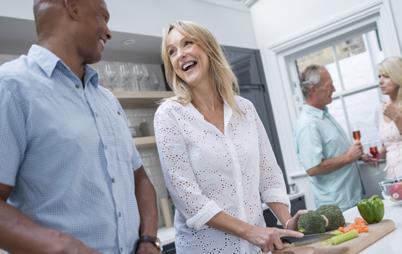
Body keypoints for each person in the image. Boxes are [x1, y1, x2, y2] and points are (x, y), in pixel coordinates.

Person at [0, 1, 160, 253]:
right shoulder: (10, 86)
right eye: (103, 17)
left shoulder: (107, 99)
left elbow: (140, 178)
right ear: (72, 6)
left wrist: (149, 240)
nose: (108, 31)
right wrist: (65, 247)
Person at [154, 20, 303, 254]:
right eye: (171, 51)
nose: (180, 55)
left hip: (256, 250)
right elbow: (187, 198)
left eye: (187, 44)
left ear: (208, 48)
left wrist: (286, 221)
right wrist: (249, 231)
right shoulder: (169, 115)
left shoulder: (245, 109)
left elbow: (269, 175)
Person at [294, 64, 364, 211]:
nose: (334, 89)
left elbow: (336, 153)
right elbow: (313, 168)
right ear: (313, 89)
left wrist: (358, 156)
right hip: (338, 207)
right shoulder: (308, 123)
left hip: (352, 199)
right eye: (329, 85)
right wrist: (348, 157)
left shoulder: (324, 115)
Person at [376, 57, 402, 179]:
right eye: (379, 76)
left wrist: (396, 117)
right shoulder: (381, 109)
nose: (380, 81)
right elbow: (389, 144)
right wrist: (378, 154)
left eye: (386, 76)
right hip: (394, 175)